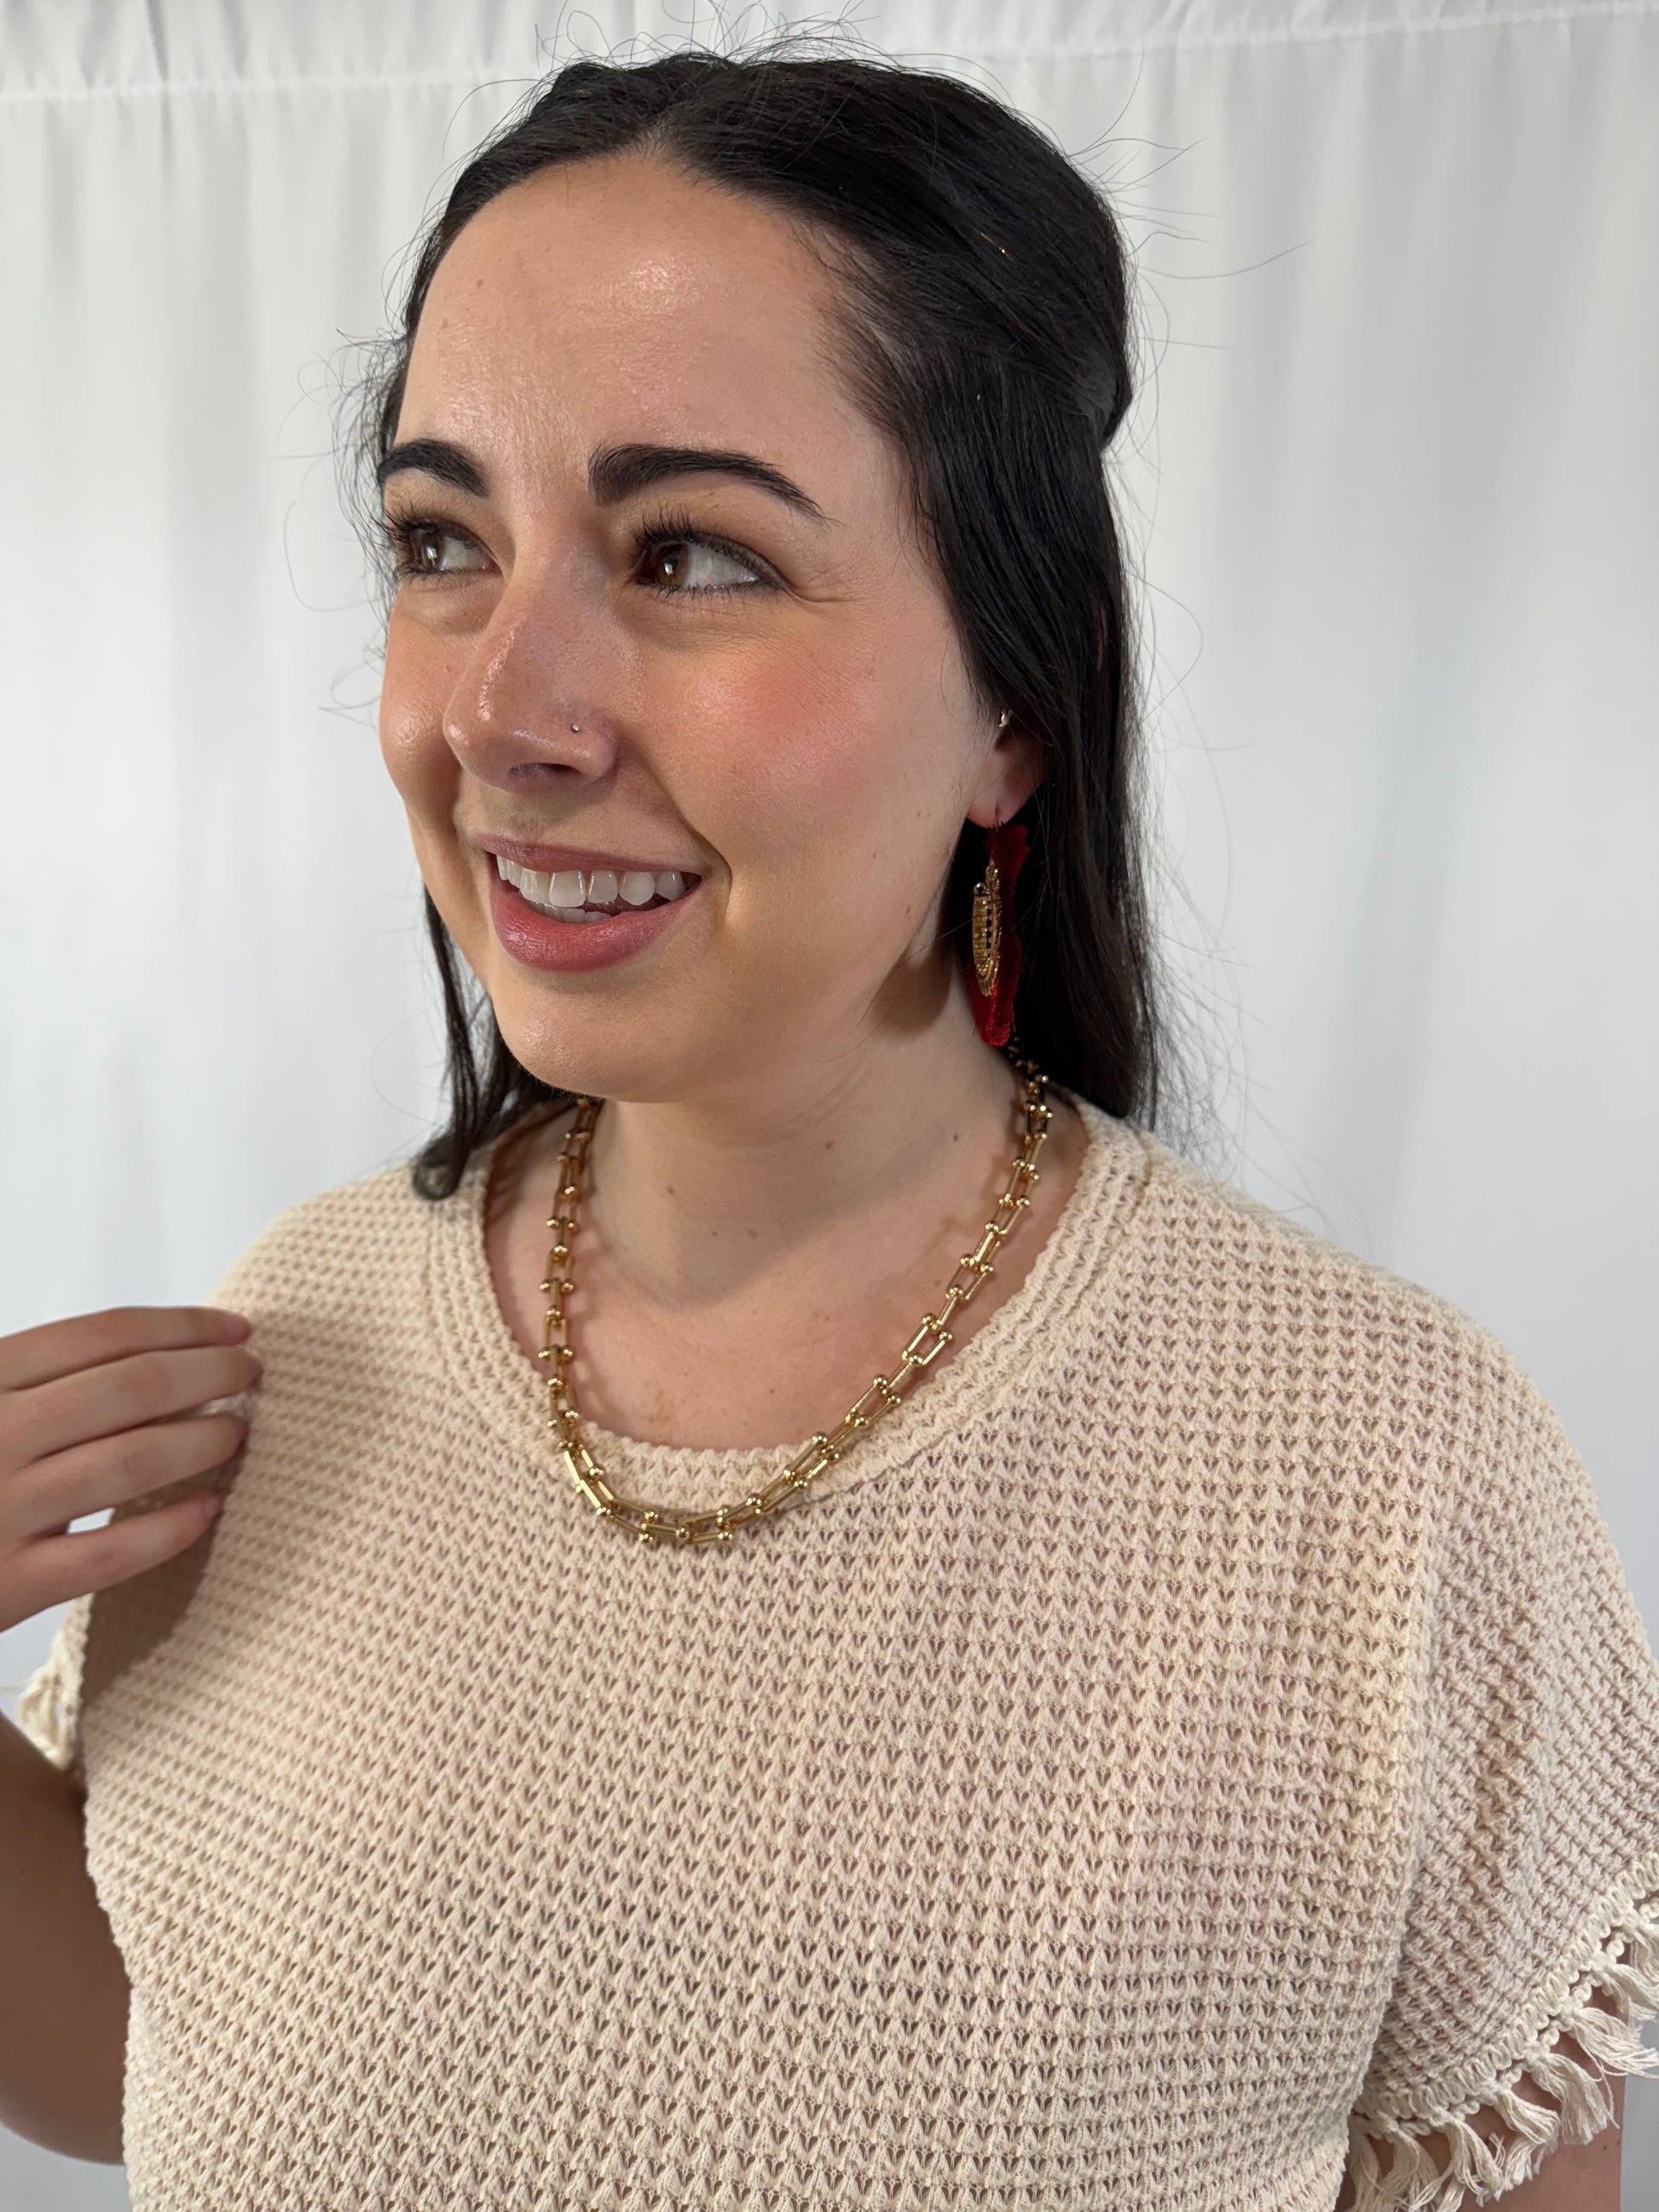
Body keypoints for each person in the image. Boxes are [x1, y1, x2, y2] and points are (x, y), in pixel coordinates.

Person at [3, 34, 1656, 2210]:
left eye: (691, 554)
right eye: (440, 536)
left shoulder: (1385, 1487)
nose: (500, 708)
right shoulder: (290, 1343)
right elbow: (152, 2053)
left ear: (1015, 708)